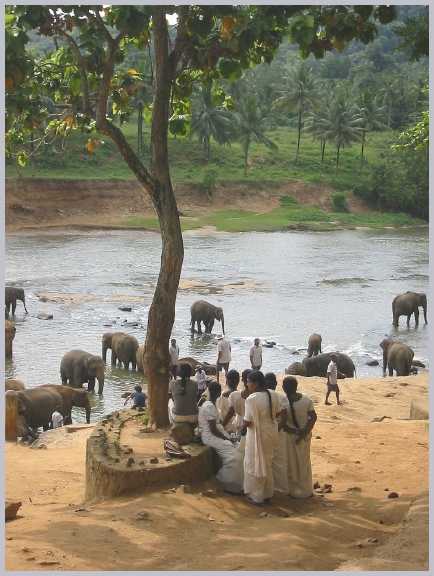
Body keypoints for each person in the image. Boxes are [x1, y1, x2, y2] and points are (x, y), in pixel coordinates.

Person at [198, 380, 244, 494]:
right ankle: (225, 481)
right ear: (218, 393)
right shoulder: (208, 406)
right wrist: (225, 438)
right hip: (210, 436)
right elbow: (213, 429)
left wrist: (226, 436)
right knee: (234, 457)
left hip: (217, 433)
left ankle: (237, 482)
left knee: (238, 449)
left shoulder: (212, 404)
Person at [243, 370, 280, 505]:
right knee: (267, 464)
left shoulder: (251, 399)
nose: (247, 384)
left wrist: (240, 428)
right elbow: (278, 412)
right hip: (270, 432)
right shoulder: (274, 394)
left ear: (255, 383)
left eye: (248, 381)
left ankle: (257, 496)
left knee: (255, 464)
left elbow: (246, 422)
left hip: (256, 435)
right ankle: (267, 494)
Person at [281, 376, 317, 498]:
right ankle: (306, 490)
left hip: (289, 437)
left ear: (284, 388)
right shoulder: (306, 400)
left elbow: (283, 423)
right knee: (304, 462)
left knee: (291, 463)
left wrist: (295, 432)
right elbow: (313, 417)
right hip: (305, 436)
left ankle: (293, 491)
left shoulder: (283, 402)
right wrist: (304, 432)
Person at [264, 372, 290, 495]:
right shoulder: (282, 397)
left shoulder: (259, 396)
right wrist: (276, 430)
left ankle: (268, 487)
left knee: (266, 460)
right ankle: (280, 488)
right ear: (276, 384)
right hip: (278, 432)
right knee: (280, 461)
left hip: (265, 432)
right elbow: (284, 419)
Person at [222, 368, 250, 435]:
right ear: (239, 381)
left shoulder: (233, 395)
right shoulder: (255, 396)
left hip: (236, 424)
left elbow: (229, 413)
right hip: (247, 425)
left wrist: (221, 426)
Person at [217, 369, 240, 433]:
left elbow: (222, 412)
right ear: (238, 381)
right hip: (237, 425)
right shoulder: (241, 395)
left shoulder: (224, 395)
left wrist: (221, 426)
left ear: (227, 380)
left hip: (226, 425)